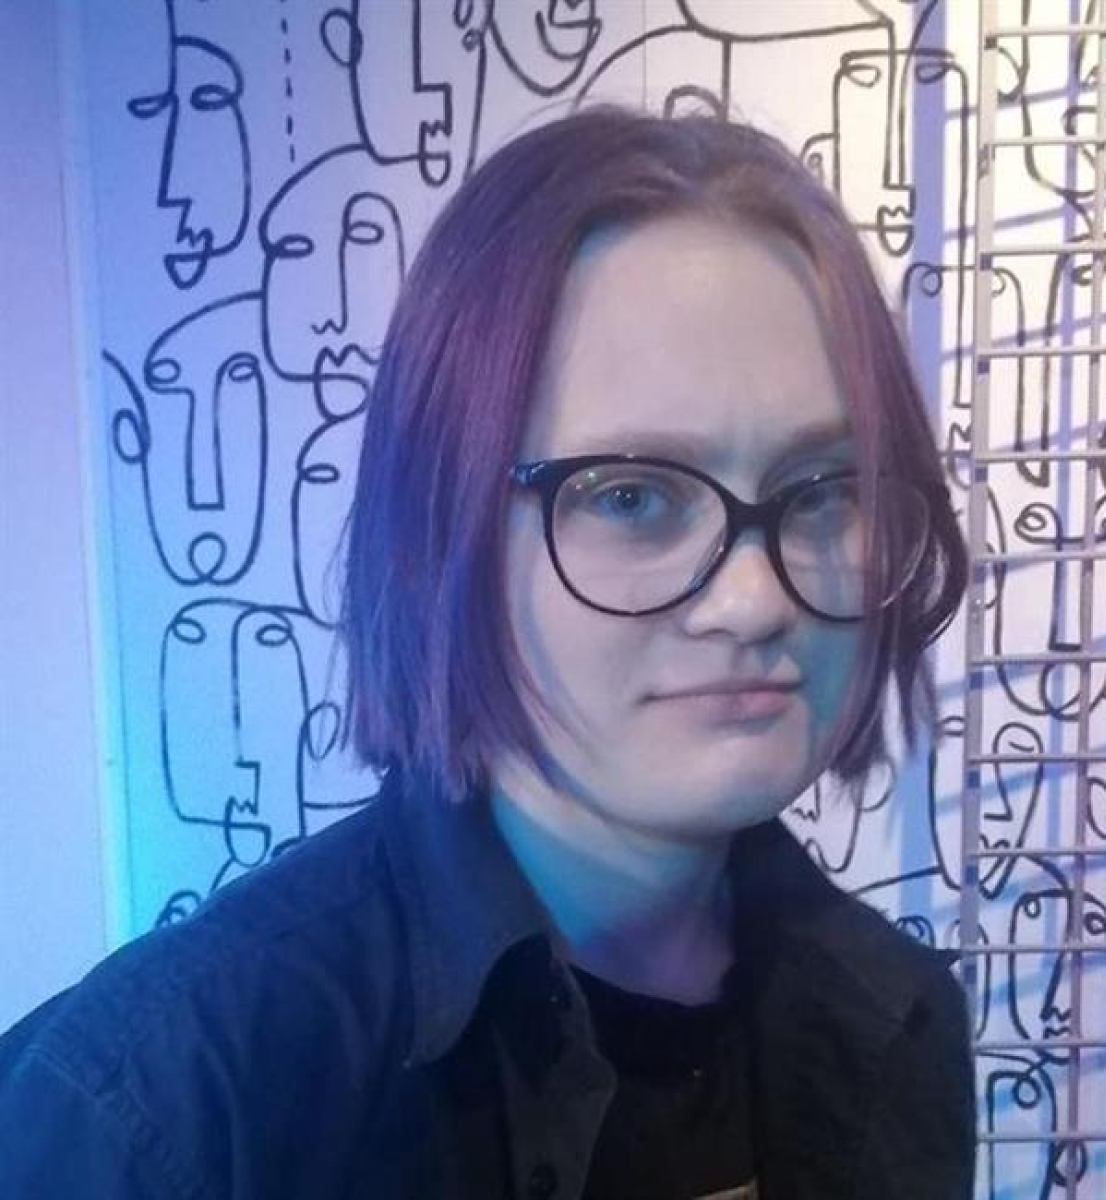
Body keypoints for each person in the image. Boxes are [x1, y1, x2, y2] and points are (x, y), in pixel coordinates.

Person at [0, 107, 974, 1198]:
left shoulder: (899, 1023)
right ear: (441, 528)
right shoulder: (168, 1103)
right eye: (632, 497)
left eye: (826, 490)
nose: (754, 601)